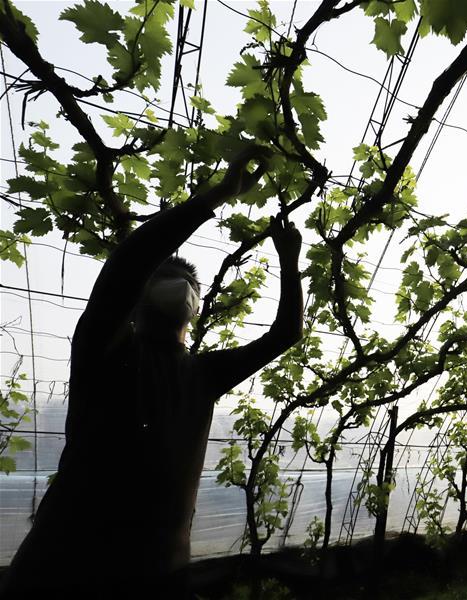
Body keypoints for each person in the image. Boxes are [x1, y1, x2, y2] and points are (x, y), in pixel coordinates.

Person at [1, 146, 303, 598]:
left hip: (160, 578)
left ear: (196, 309)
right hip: (61, 570)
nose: (180, 283)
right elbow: (128, 263)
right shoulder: (103, 349)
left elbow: (285, 334)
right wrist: (217, 194)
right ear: (137, 299)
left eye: (189, 281)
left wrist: (288, 261)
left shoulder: (204, 373)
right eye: (166, 275)